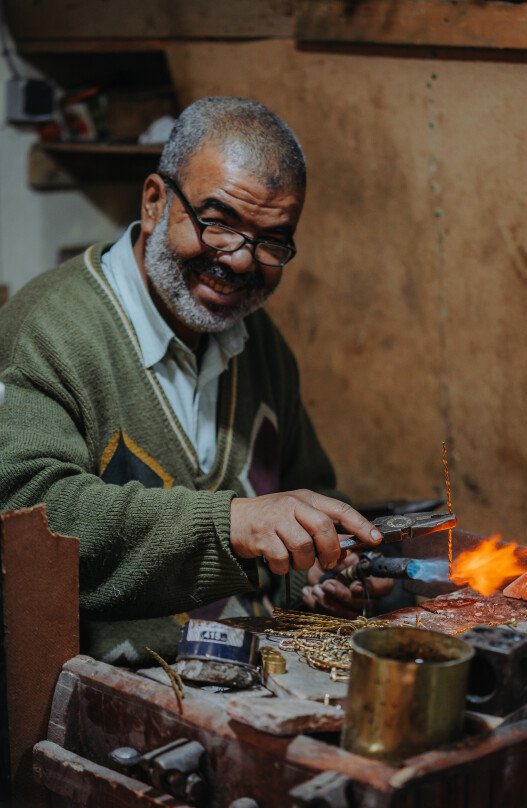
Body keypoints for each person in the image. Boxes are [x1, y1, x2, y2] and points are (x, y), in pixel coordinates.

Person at [0, 97, 390, 665]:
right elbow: (31, 517)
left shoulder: (260, 344)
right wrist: (230, 523)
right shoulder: (49, 331)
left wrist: (325, 572)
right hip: (104, 696)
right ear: (156, 202)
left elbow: (308, 495)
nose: (239, 260)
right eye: (218, 223)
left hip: (248, 680)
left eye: (271, 240)